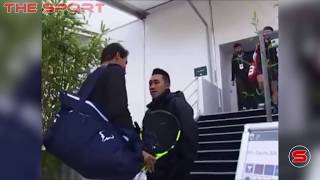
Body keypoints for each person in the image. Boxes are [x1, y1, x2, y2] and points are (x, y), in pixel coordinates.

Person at [77, 43, 155, 176]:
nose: (125, 68)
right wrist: (137, 147)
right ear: (117, 56)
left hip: (90, 150)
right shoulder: (115, 71)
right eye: (126, 62)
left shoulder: (92, 78)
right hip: (111, 151)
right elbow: (119, 111)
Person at [142, 68, 198, 180]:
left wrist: (180, 172)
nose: (152, 87)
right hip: (153, 174)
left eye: (156, 82)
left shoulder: (178, 104)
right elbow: (146, 140)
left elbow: (190, 139)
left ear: (167, 85)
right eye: (150, 84)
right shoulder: (149, 112)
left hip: (175, 174)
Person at [253, 26, 278, 111]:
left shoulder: (275, 42)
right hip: (262, 69)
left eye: (269, 32)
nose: (267, 33)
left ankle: (275, 105)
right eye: (266, 31)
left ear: (271, 33)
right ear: (263, 33)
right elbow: (255, 57)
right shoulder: (259, 44)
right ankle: (268, 103)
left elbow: (279, 55)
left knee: (274, 88)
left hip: (273, 68)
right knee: (263, 87)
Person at [231, 43, 256, 110]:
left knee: (250, 90)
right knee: (242, 91)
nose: (238, 49)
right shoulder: (234, 59)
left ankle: (253, 105)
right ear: (235, 50)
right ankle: (244, 106)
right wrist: (232, 79)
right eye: (236, 48)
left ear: (242, 48)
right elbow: (233, 69)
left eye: (239, 47)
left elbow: (253, 64)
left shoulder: (247, 55)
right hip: (239, 76)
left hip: (248, 75)